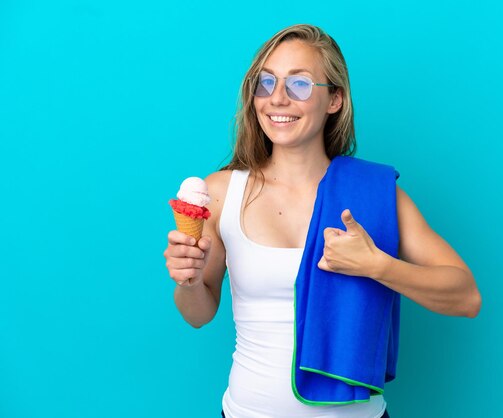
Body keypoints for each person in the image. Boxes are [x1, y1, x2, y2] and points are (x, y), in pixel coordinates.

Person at [163, 24, 481, 418]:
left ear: (335, 100)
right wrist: (189, 281)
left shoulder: (375, 193)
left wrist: (377, 265)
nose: (277, 98)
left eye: (298, 84)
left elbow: (466, 296)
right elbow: (198, 313)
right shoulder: (222, 192)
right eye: (265, 83)